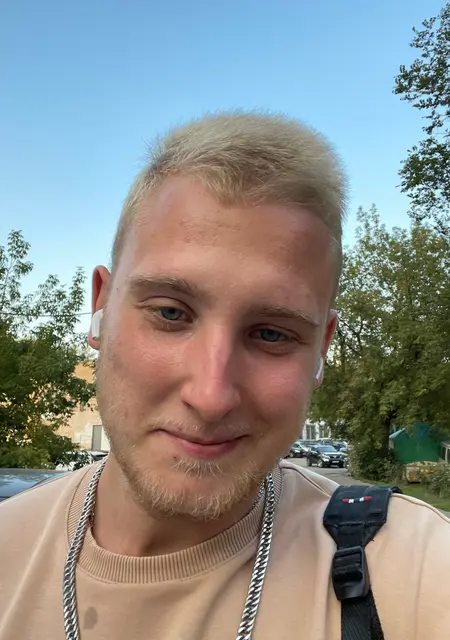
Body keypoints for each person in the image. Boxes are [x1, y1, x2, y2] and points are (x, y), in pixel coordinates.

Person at [0, 111, 449, 640]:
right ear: (102, 308)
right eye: (170, 313)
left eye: (272, 334)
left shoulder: (413, 569)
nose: (211, 396)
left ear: (321, 350)